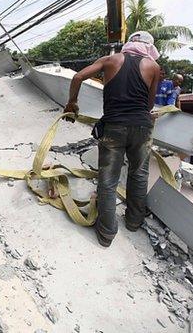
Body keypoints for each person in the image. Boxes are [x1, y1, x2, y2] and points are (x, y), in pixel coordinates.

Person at [64, 31, 161, 247]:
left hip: (114, 127)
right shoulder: (153, 67)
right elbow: (149, 105)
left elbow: (78, 76)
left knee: (108, 180)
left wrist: (72, 102)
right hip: (142, 127)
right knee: (139, 174)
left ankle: (107, 233)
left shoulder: (110, 60)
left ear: (129, 44)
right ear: (149, 48)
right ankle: (134, 222)